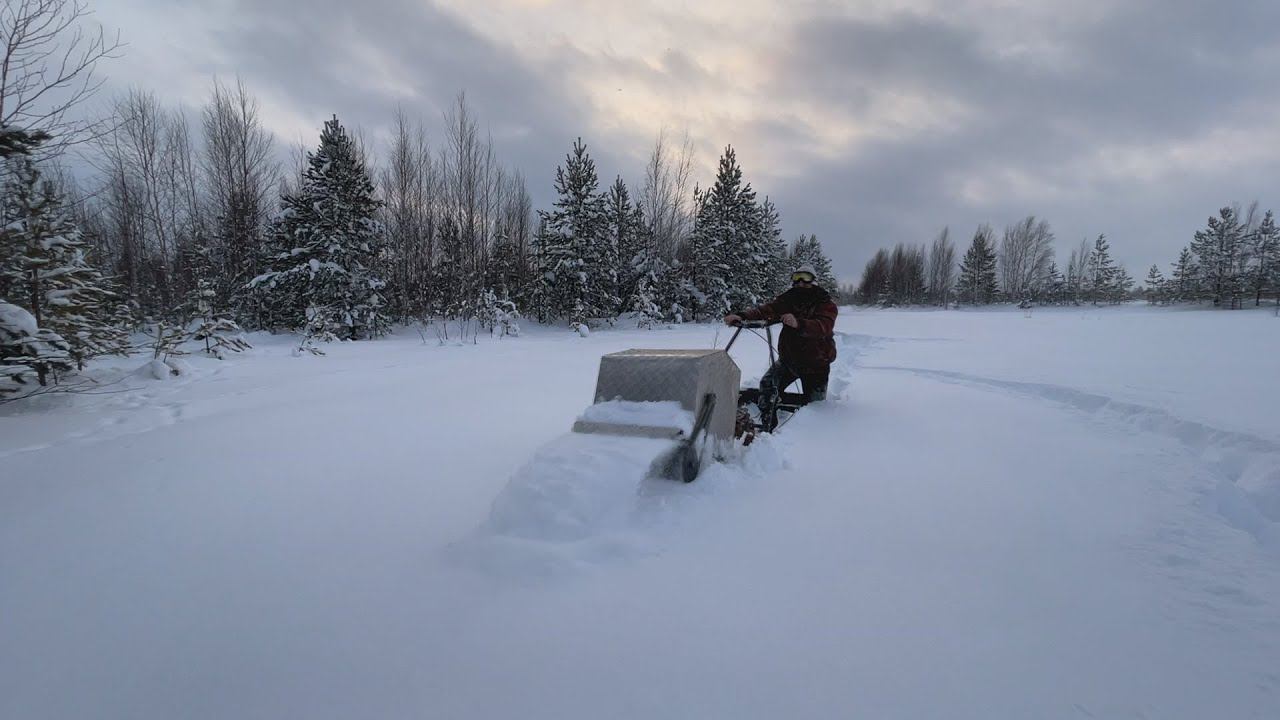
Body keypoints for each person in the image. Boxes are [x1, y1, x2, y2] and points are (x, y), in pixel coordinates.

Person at [723, 264, 838, 427]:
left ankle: (808, 439)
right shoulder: (788, 299)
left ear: (813, 281)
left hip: (816, 363)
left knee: (815, 408)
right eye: (796, 278)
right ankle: (768, 425)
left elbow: (823, 326)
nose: (800, 283)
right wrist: (741, 316)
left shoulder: (825, 304)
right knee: (767, 386)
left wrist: (798, 323)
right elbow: (766, 310)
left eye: (805, 278)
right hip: (789, 360)